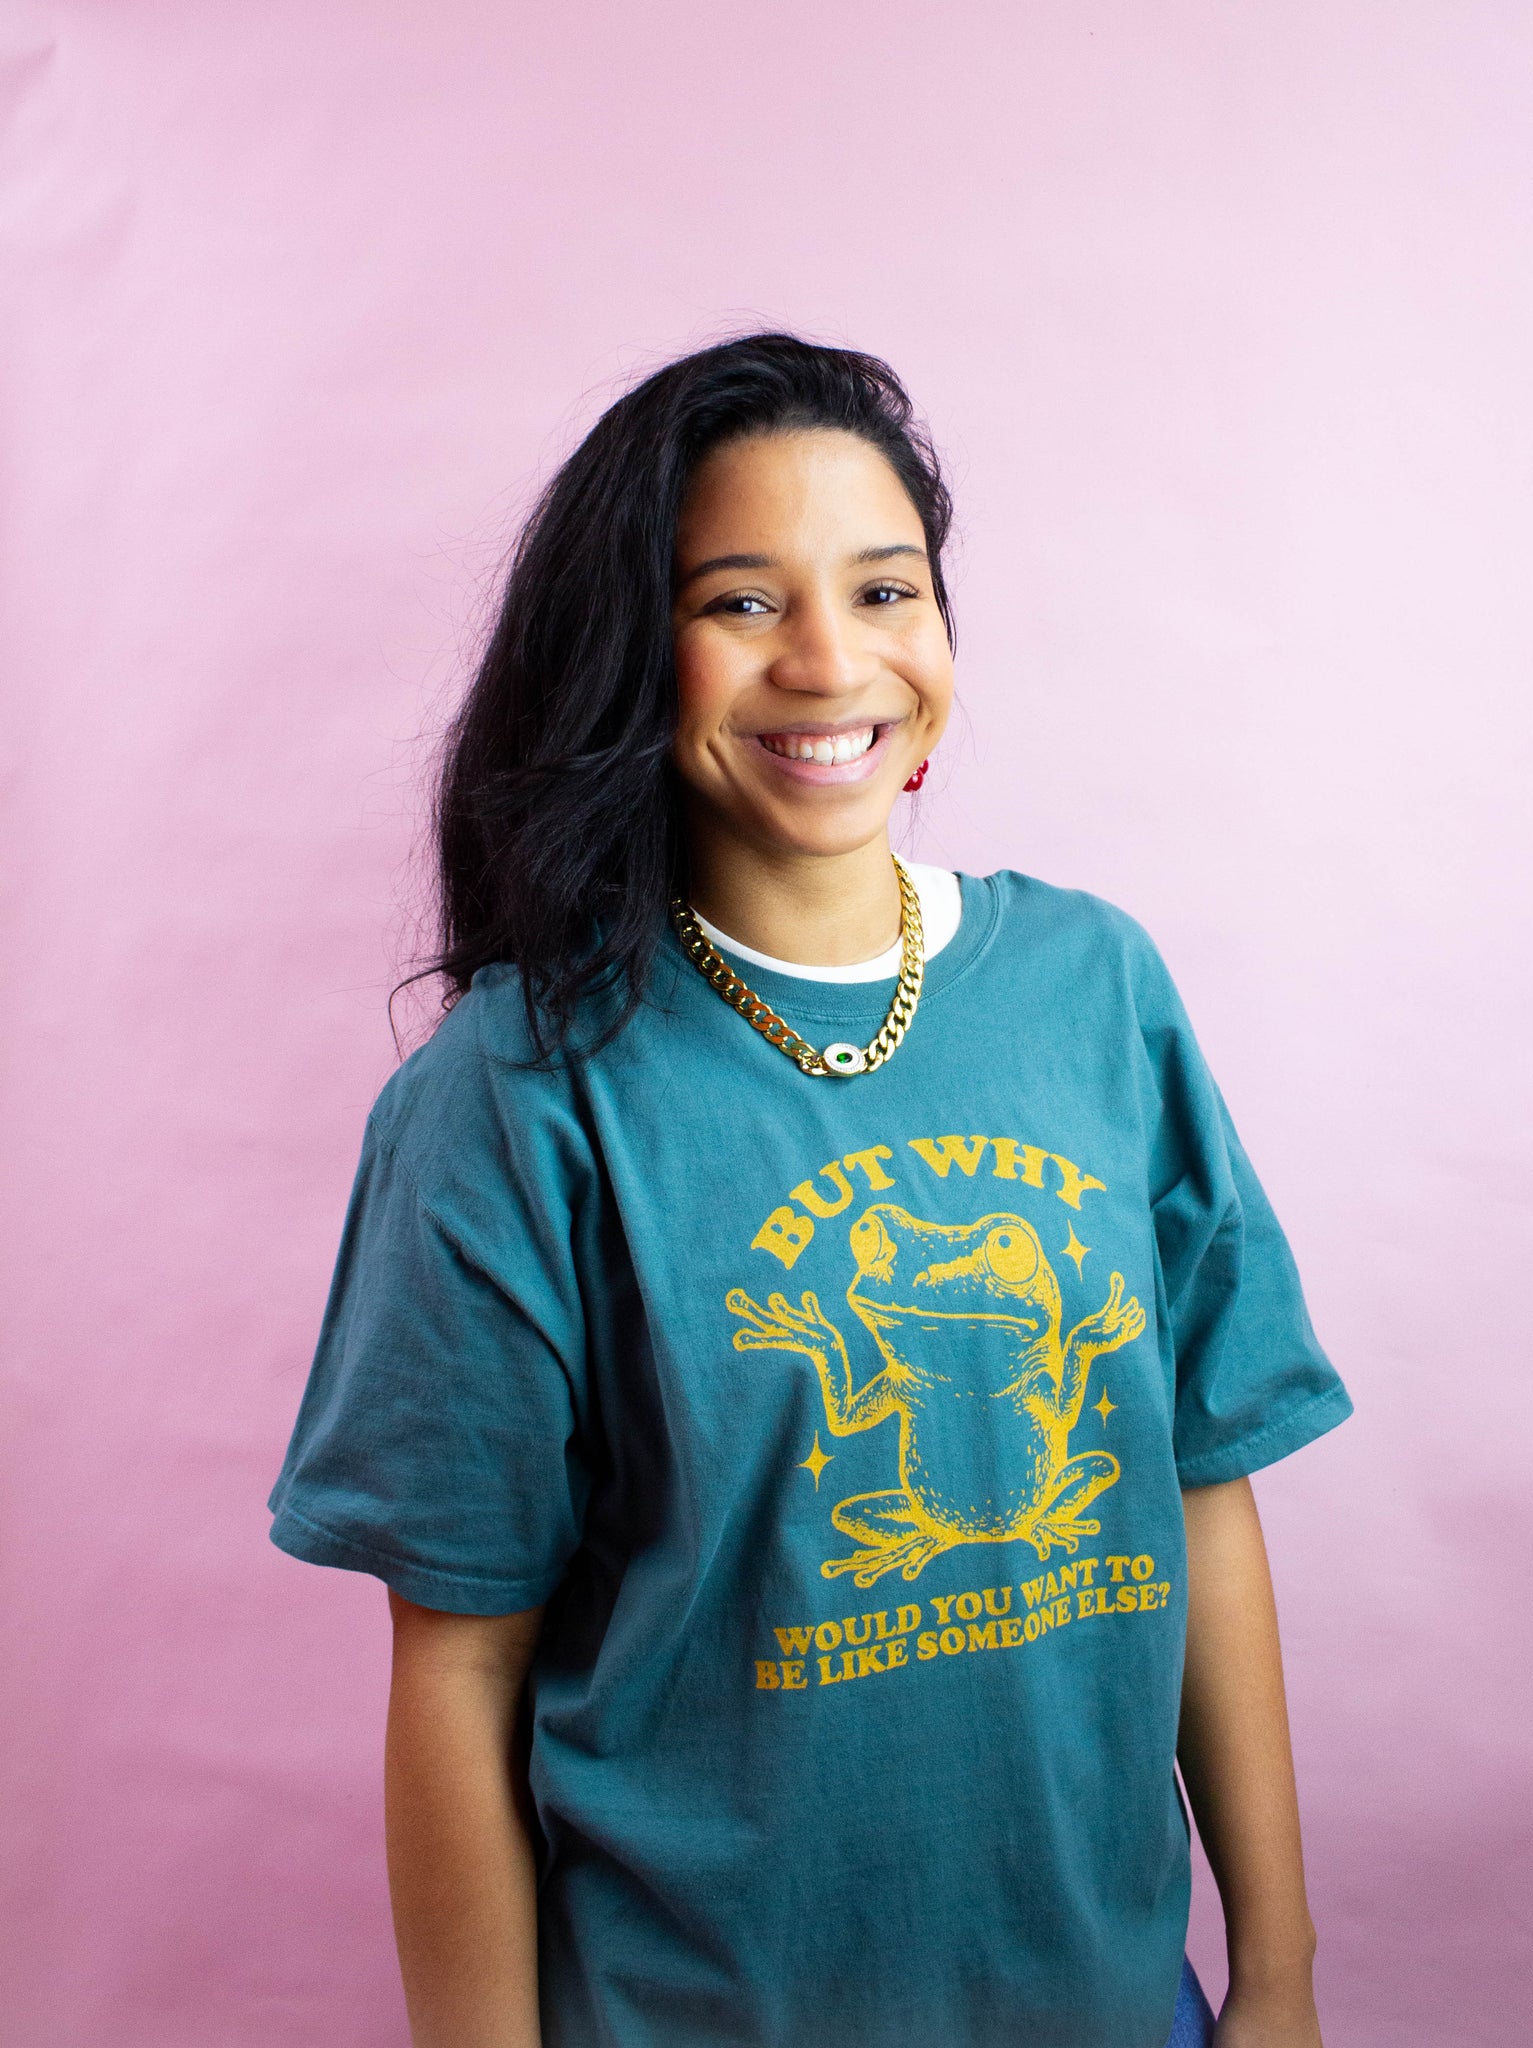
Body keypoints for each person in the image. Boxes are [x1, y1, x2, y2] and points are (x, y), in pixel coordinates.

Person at [270, 333, 1351, 2048]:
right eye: (742, 602)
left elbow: (1202, 1492)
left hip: (1114, 2004)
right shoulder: (516, 1092)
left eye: (883, 588)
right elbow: (460, 1671)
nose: (832, 661)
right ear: (637, 650)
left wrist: (1277, 1978)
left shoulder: (1094, 989)